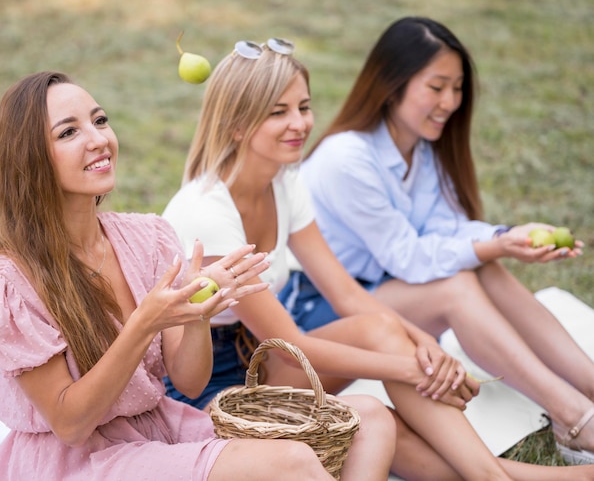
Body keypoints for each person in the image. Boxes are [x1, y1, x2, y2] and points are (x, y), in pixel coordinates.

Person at [162, 38, 594, 480]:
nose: (300, 123)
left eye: (304, 107)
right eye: (278, 112)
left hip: (265, 357)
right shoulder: (206, 214)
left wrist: (422, 345)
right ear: (236, 125)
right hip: (212, 389)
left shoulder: (284, 180)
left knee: (380, 331)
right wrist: (417, 368)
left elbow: (347, 294)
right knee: (380, 425)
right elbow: (297, 347)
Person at [0, 70, 391, 481]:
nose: (99, 139)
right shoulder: (9, 280)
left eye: (100, 121)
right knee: (292, 463)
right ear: (29, 158)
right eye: (69, 133)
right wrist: (143, 325)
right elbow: (70, 423)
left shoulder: (147, 237)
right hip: (79, 458)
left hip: (162, 429)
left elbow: (190, 383)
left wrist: (197, 312)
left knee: (368, 417)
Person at [284, 15, 594, 466]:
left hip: (380, 293)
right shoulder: (345, 158)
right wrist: (496, 245)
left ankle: (589, 386)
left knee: (482, 264)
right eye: (437, 87)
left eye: (458, 87)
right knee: (457, 285)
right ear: (392, 85)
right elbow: (408, 257)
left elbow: (449, 228)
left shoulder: (422, 148)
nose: (450, 101)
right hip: (324, 312)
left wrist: (506, 238)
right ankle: (574, 417)